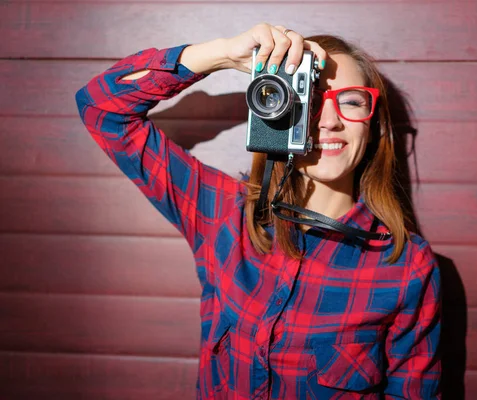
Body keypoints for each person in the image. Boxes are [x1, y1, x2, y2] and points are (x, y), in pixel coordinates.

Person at [76, 23, 441, 399]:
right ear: (279, 109)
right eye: (309, 99)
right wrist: (222, 55)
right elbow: (102, 107)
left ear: (373, 123)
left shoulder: (406, 264)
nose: (329, 121)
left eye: (350, 101)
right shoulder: (221, 212)